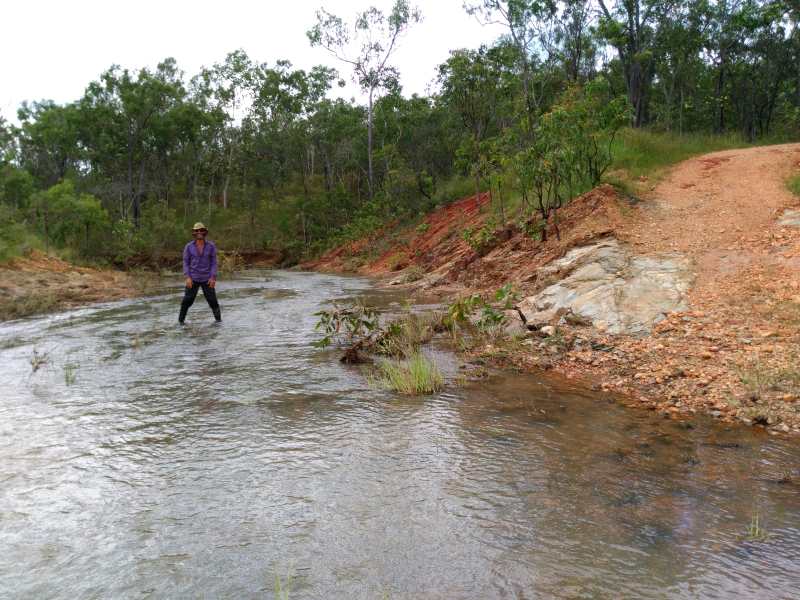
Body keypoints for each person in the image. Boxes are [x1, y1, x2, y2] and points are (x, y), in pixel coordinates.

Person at [179, 222, 221, 324]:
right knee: (186, 301)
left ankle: (219, 322)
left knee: (213, 301)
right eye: (196, 231)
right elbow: (186, 262)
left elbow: (214, 262)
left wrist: (213, 277)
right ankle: (180, 322)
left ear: (205, 232)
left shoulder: (211, 246)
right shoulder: (188, 247)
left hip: (207, 278)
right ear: (193, 233)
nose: (199, 232)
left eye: (201, 230)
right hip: (193, 278)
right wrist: (188, 277)